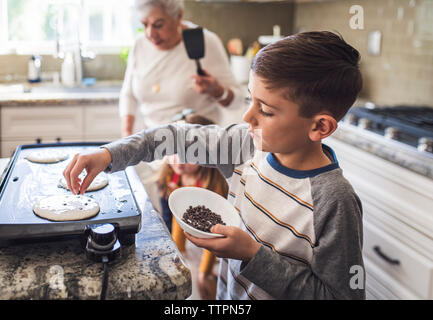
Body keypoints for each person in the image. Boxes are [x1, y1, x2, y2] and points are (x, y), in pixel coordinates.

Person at [63, 31, 365, 300]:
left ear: (320, 127)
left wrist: (252, 255)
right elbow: (174, 137)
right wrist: (110, 154)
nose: (248, 117)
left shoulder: (334, 201)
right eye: (250, 99)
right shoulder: (244, 146)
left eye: (267, 110)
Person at [120, 0, 243, 136]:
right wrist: (127, 135)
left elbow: (237, 101)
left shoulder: (205, 41)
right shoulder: (140, 44)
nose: (150, 33)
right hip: (154, 145)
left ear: (178, 16)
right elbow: (128, 94)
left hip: (198, 146)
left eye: (158, 25)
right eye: (144, 24)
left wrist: (217, 91)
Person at [157, 112, 228, 300]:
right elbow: (169, 219)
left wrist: (203, 273)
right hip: (184, 240)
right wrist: (174, 255)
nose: (179, 161)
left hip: (216, 248)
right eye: (174, 151)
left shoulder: (214, 187)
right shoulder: (167, 177)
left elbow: (214, 238)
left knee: (203, 286)